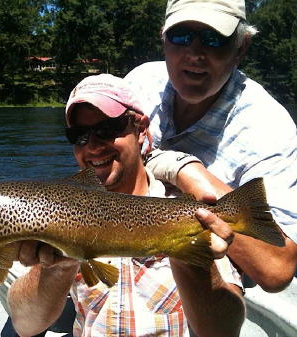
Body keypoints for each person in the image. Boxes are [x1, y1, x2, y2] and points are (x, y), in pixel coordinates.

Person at [7, 74, 245, 337]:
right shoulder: (56, 215)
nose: (94, 146)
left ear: (141, 130)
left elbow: (223, 331)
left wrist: (193, 262)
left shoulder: (188, 214)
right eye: (79, 136)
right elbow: (25, 325)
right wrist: (57, 266)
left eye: (107, 130)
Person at [125, 0, 297, 292]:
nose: (194, 54)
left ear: (241, 48)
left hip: (202, 278)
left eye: (213, 38)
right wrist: (173, 167)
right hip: (121, 249)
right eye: (181, 37)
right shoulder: (139, 85)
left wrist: (192, 175)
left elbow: (276, 268)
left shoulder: (271, 129)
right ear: (163, 39)